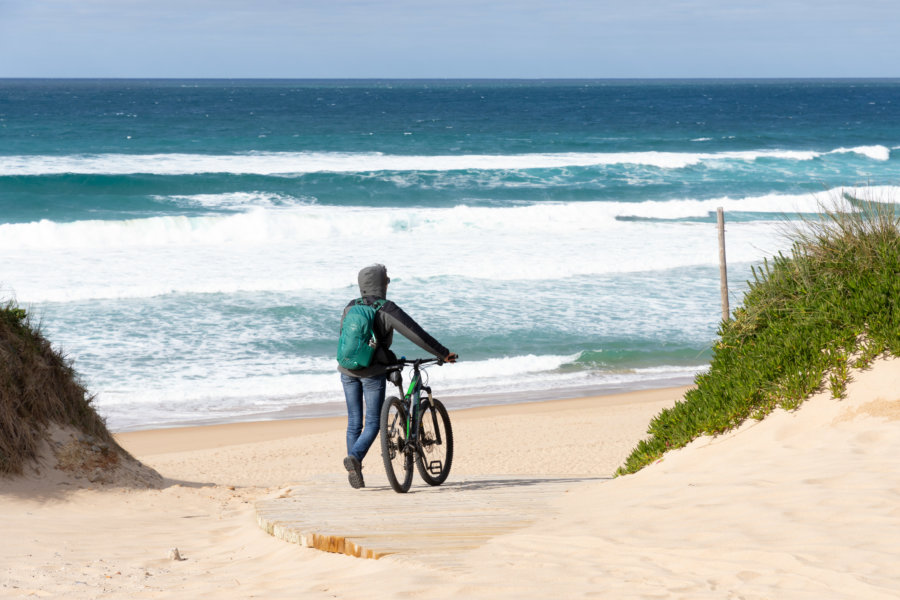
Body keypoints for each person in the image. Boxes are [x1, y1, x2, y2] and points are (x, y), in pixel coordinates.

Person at [337, 264, 457, 489]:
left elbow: (344, 338)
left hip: (346, 370)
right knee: (373, 422)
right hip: (372, 373)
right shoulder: (386, 308)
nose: (388, 283)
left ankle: (356, 470)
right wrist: (442, 353)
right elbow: (416, 333)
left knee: (354, 423)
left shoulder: (350, 306)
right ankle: (354, 458)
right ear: (381, 284)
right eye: (387, 280)